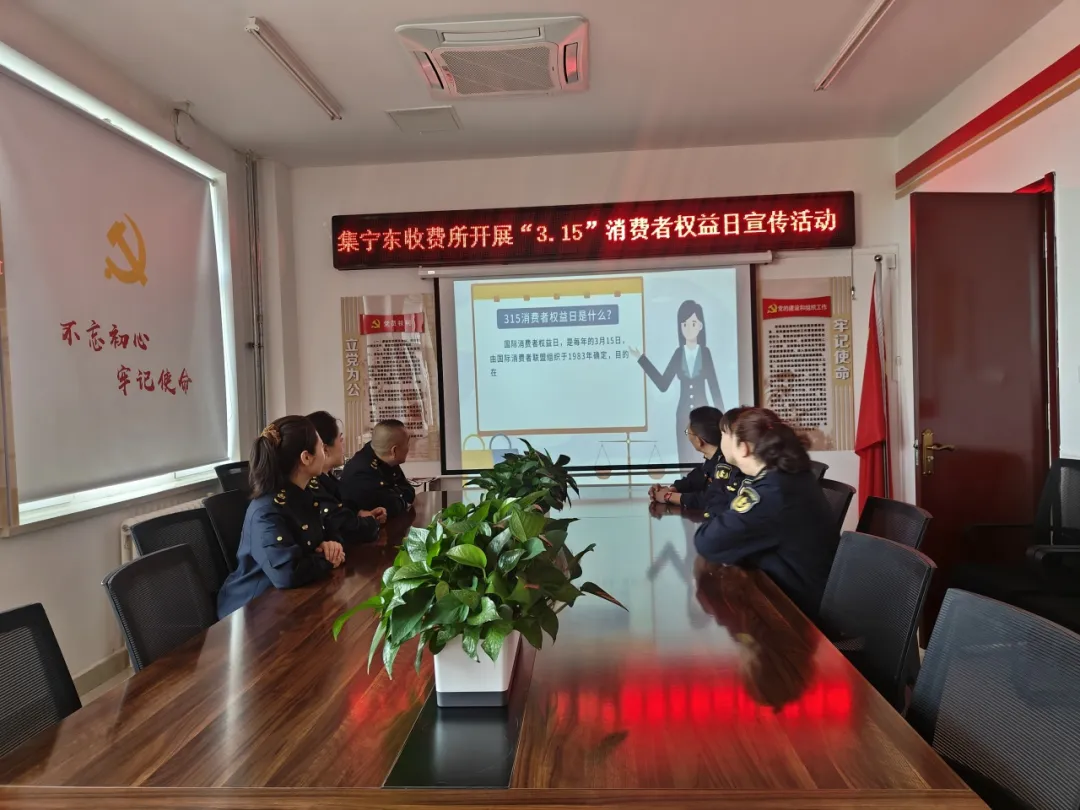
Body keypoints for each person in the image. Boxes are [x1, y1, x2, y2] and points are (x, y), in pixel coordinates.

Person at [693, 408, 838, 622]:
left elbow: (707, 542)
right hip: (799, 593)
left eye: (724, 435)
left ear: (743, 448)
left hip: (796, 613)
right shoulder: (787, 477)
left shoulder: (772, 492)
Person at [217, 416, 346, 619]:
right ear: (306, 458)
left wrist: (331, 546)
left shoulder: (304, 496)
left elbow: (330, 533)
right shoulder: (267, 511)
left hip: (288, 602)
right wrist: (327, 560)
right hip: (251, 611)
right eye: (321, 447)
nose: (325, 452)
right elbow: (288, 573)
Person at [630, 300, 725, 465]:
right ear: (680, 327)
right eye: (684, 324)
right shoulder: (678, 353)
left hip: (705, 419)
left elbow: (714, 387)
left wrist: (725, 422)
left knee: (709, 458)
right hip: (683, 417)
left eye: (693, 323)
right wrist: (641, 359)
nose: (689, 328)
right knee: (685, 457)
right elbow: (662, 384)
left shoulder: (705, 352)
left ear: (700, 326)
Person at [306, 411, 386, 545]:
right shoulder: (312, 486)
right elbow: (347, 528)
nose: (343, 444)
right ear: (324, 449)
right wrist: (371, 522)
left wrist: (360, 514)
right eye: (340, 439)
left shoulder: (328, 479)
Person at [650, 405, 746, 510]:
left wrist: (668, 496)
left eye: (688, 432)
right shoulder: (711, 461)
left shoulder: (726, 464)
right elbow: (693, 480)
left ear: (699, 441)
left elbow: (712, 499)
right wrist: (671, 489)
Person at [338, 419, 416, 517]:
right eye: (407, 443)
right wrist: (401, 500)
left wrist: (399, 499)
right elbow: (391, 507)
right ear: (394, 451)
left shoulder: (384, 457)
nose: (409, 447)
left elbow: (409, 491)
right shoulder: (361, 473)